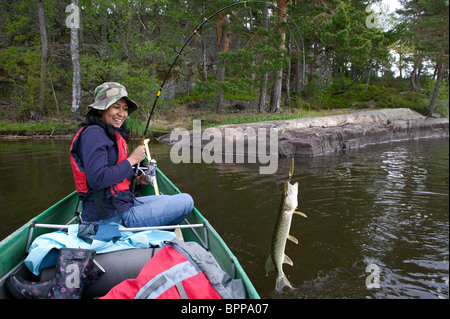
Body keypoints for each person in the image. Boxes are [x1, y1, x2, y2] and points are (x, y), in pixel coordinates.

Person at [70, 82, 193, 228]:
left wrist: (138, 180)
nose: (122, 114)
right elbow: (98, 179)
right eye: (116, 107)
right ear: (100, 109)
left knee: (171, 199)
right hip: (108, 218)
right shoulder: (94, 133)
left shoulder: (108, 133)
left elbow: (111, 175)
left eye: (125, 109)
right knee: (186, 201)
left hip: (121, 206)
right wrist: (132, 160)